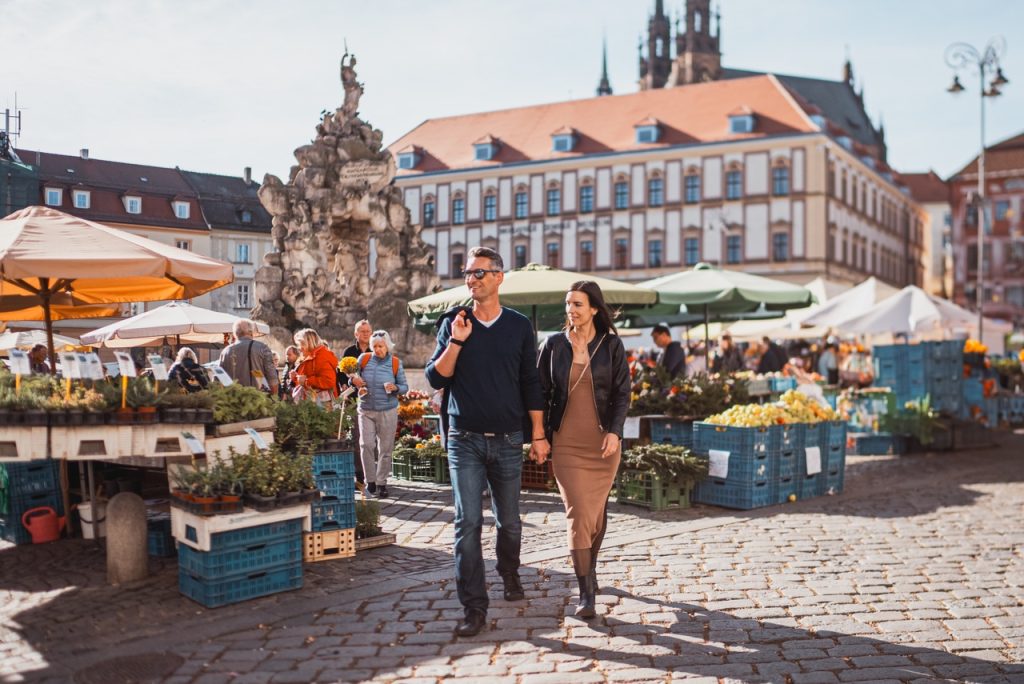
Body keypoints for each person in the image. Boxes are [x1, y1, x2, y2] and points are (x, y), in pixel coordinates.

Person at [425, 246, 547, 638]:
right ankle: (474, 607)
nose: (471, 279)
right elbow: (435, 378)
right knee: (467, 522)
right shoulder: (453, 322)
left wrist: (539, 434)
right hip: (465, 439)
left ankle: (509, 571)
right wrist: (456, 342)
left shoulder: (518, 326)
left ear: (498, 277)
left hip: (510, 439)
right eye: (467, 273)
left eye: (479, 273)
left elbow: (531, 381)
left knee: (509, 522)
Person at [537, 281, 630, 619]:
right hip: (567, 444)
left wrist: (616, 432)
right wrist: (539, 435)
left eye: (577, 304)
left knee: (597, 512)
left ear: (594, 309)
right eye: (567, 304)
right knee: (578, 513)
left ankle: (590, 568)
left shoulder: (611, 346)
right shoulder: (553, 345)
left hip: (602, 443)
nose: (571, 310)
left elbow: (622, 393)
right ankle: (586, 593)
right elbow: (540, 393)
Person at [356, 330, 408, 499]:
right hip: (366, 409)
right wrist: (354, 382)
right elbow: (352, 379)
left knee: (385, 448)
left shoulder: (395, 362)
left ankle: (382, 483)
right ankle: (370, 482)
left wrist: (396, 388)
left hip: (388, 410)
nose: (377, 349)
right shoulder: (363, 359)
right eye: (374, 346)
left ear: (387, 346)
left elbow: (404, 386)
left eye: (380, 346)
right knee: (366, 445)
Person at [341, 319, 373, 486]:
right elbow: (341, 375)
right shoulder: (349, 351)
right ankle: (360, 475)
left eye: (368, 331)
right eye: (362, 331)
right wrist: (353, 383)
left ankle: (372, 474)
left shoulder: (376, 349)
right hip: (354, 402)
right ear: (356, 334)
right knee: (355, 438)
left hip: (374, 400)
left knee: (371, 440)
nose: (366, 334)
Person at [218, 319, 279, 395]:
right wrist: (274, 398)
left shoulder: (225, 351)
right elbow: (272, 378)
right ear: (251, 332)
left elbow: (219, 379)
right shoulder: (262, 348)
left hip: (231, 400)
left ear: (235, 334)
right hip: (258, 400)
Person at [291, 328, 339, 404]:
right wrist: (295, 378)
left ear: (310, 343)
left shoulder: (321, 357)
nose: (299, 348)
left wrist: (306, 381)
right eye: (298, 345)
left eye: (302, 344)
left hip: (322, 406)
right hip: (312, 404)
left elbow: (329, 381)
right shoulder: (309, 357)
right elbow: (305, 380)